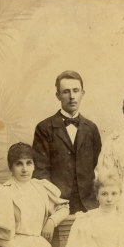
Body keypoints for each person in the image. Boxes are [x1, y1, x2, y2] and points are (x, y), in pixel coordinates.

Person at [32, 70, 102, 214]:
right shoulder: (44, 128)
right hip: (57, 203)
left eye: (76, 91)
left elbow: (98, 165)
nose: (72, 97)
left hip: (89, 205)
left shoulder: (91, 128)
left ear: (82, 93)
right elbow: (40, 171)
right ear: (58, 95)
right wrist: (54, 202)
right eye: (66, 92)